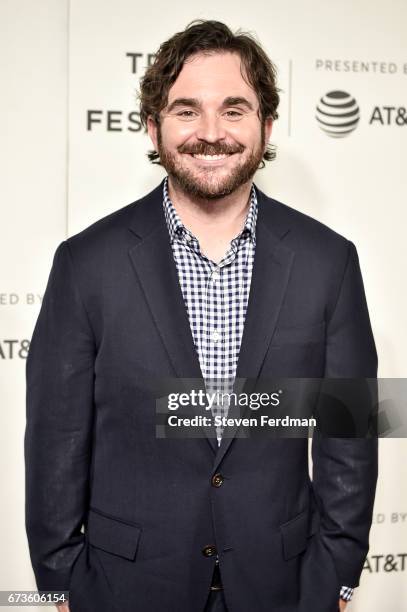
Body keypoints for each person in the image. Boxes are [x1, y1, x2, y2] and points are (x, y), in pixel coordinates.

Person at [25, 20, 378, 612]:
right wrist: (61, 580)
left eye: (233, 110)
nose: (211, 133)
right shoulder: (85, 264)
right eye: (186, 111)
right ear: (152, 126)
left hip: (284, 588)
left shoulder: (330, 262)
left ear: (266, 126)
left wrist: (338, 573)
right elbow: (56, 438)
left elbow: (351, 432)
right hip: (125, 590)